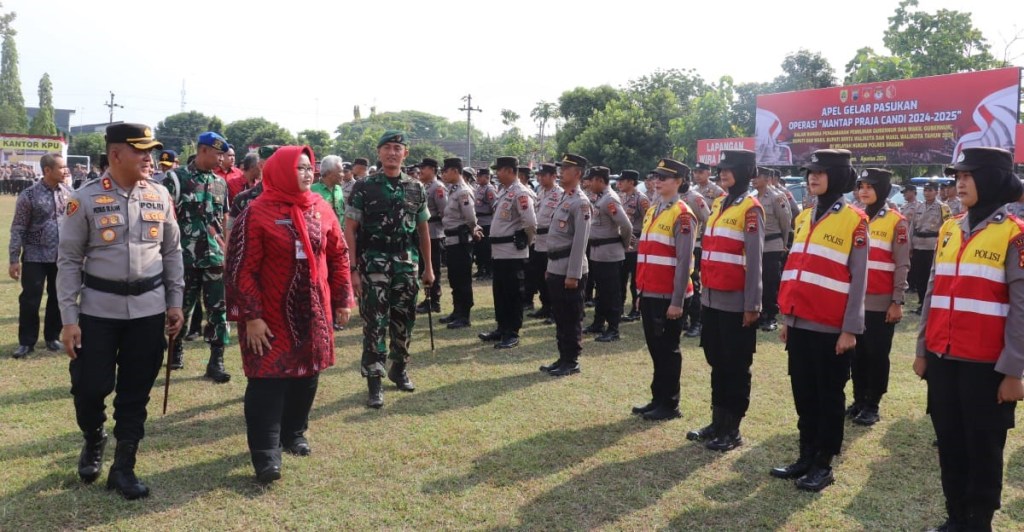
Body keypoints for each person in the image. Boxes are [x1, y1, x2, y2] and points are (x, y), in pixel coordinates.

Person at [57, 123, 184, 500]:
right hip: (98, 310)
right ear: (115, 155)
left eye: (151, 151)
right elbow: (68, 261)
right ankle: (94, 437)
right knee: (89, 386)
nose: (149, 158)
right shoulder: (85, 199)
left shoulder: (160, 195)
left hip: (148, 310)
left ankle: (124, 467)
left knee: (135, 392)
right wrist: (68, 319)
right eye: (141, 150)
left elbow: (172, 252)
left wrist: (175, 302)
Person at [225, 145, 353, 484]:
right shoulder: (257, 212)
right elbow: (241, 268)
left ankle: (294, 432)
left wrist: (343, 299)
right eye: (299, 168)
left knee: (307, 374)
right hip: (269, 315)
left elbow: (339, 255)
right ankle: (266, 455)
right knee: (268, 378)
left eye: (310, 167)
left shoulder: (321, 208)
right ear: (280, 171)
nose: (308, 173)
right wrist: (251, 316)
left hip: (313, 308)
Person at [915, 147, 1024, 531]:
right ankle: (955, 517)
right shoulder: (950, 228)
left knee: (983, 447)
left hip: (987, 367)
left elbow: (1021, 309)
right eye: (957, 176)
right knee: (950, 442)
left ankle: (978, 522)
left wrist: (1013, 370)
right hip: (943, 360)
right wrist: (922, 349)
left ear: (992, 179)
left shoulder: (1014, 235)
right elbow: (932, 293)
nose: (959, 182)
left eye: (968, 175)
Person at [771, 148, 868, 492]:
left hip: (831, 329)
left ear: (839, 177)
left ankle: (824, 464)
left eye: (821, 172)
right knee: (804, 393)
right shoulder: (804, 216)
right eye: (810, 172)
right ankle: (806, 455)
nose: (813, 177)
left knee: (829, 397)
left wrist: (850, 329)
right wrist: (787, 316)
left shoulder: (855, 219)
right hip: (799, 323)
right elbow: (796, 268)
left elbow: (859, 280)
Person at [344, 130, 433, 408]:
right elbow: (350, 229)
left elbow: (423, 230)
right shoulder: (364, 187)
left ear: (405, 153)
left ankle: (399, 368)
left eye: (398, 148)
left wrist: (428, 268)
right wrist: (353, 269)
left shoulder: (416, 188)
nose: (393, 152)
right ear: (379, 153)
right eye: (388, 148)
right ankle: (374, 380)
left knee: (404, 319)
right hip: (373, 263)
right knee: (374, 322)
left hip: (406, 263)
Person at [688, 150, 764, 449]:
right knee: (717, 361)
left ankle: (732, 429)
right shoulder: (720, 202)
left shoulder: (751, 208)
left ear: (745, 171)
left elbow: (756, 261)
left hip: (736, 301)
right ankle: (717, 421)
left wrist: (753, 305)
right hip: (713, 298)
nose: (723, 173)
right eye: (722, 169)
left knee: (735, 364)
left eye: (730, 169)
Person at [630, 158, 696, 420]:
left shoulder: (682, 214)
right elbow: (646, 254)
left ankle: (670, 404)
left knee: (668, 351)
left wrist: (677, 301)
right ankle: (658, 398)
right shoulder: (654, 210)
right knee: (656, 350)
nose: (657, 181)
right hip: (650, 292)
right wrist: (640, 292)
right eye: (656, 177)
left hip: (669, 296)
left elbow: (684, 261)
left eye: (664, 178)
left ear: (678, 182)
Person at [163, 132, 231, 382]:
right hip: (184, 259)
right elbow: (165, 219)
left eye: (223, 154)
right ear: (203, 151)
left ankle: (216, 360)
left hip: (214, 258)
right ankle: (175, 348)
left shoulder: (220, 183)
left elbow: (224, 218)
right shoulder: (175, 179)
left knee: (218, 310)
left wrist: (227, 250)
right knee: (181, 308)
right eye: (217, 153)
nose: (221, 159)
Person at [846, 168, 910, 427]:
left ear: (882, 189)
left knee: (876, 353)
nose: (864, 190)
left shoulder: (897, 221)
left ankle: (873, 404)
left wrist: (897, 301)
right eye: (861, 185)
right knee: (856, 353)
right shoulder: (853, 217)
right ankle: (859, 398)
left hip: (880, 301)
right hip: (855, 301)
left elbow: (902, 263)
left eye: (870, 186)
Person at [9, 153, 71, 358]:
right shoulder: (29, 195)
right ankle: (26, 342)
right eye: (61, 167)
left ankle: (52, 337)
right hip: (35, 256)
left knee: (58, 297)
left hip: (61, 257)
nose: (65, 171)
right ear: (47, 170)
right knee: (30, 300)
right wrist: (13, 258)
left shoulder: (70, 193)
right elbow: (18, 228)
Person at [539, 154, 592, 376]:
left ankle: (571, 361)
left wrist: (573, 274)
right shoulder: (564, 198)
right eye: (561, 168)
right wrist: (550, 267)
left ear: (578, 173)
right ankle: (562, 357)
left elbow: (580, 242)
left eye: (566, 169)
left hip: (570, 269)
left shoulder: (581, 202)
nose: (561, 172)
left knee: (570, 317)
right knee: (560, 316)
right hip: (556, 266)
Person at [477, 156, 536, 349]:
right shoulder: (505, 192)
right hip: (499, 252)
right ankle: (502, 327)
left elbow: (531, 223)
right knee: (500, 292)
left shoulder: (520, 192)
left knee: (513, 293)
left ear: (510, 171)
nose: (496, 173)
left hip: (512, 251)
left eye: (499, 170)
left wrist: (524, 243)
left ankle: (512, 332)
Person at [582, 166, 632, 342]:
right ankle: (598, 323)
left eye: (592, 180)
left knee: (611, 292)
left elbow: (626, 226)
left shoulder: (610, 199)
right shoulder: (601, 198)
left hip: (610, 253)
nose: (588, 184)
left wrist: (623, 245)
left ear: (600, 181)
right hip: (598, 252)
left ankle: (613, 328)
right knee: (601, 291)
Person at [438, 158, 480, 329]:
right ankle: (457, 311)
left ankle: (465, 315)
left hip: (461, 241)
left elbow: (470, 217)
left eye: (446, 171)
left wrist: (473, 230)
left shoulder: (463, 191)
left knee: (462, 278)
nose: (443, 175)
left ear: (455, 171)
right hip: (451, 240)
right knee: (454, 277)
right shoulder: (453, 190)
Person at [686, 161, 726, 338]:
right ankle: (686, 318)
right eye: (695, 172)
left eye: (701, 171)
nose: (697, 175)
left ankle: (697, 322)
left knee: (695, 282)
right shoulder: (690, 190)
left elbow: (711, 220)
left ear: (708, 172)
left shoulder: (716, 192)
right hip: (687, 242)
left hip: (700, 243)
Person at [753, 167, 792, 332]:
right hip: (757, 246)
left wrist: (783, 242)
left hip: (772, 244)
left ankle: (770, 316)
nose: (753, 180)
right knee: (757, 281)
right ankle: (759, 313)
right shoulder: (753, 198)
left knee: (770, 282)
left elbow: (786, 222)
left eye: (757, 177)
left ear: (767, 178)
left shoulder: (777, 197)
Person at [527, 163, 563, 321]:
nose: (540, 178)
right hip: (538, 240)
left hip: (551, 240)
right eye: (539, 175)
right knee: (540, 277)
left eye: (544, 175)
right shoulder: (540, 192)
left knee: (553, 278)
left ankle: (556, 310)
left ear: (554, 176)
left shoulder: (560, 194)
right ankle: (546, 306)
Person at [908, 182, 951, 314]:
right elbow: (912, 227)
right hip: (918, 244)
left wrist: (945, 247)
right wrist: (910, 245)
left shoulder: (943, 207)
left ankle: (930, 305)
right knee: (919, 276)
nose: (927, 193)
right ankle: (921, 302)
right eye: (925, 190)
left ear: (936, 192)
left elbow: (948, 227)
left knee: (929, 277)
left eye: (930, 190)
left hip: (932, 246)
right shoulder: (919, 206)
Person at [415, 158, 447, 315]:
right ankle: (428, 298)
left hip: (434, 233)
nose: (420, 170)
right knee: (423, 267)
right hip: (424, 233)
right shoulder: (424, 186)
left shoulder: (438, 187)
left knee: (433, 267)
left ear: (433, 169)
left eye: (424, 168)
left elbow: (444, 212)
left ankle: (434, 301)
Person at [618, 170, 649, 323]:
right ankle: (619, 307)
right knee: (621, 278)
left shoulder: (641, 199)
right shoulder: (622, 197)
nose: (619, 183)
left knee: (635, 280)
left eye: (623, 181)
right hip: (622, 243)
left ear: (631, 182)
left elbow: (648, 221)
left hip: (636, 244)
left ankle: (636, 310)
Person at [473, 168, 497, 279]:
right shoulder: (478, 188)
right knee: (479, 248)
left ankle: (489, 271)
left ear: (486, 177)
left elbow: (494, 207)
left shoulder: (490, 189)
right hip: (479, 222)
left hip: (487, 222)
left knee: (486, 248)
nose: (477, 178)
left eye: (479, 176)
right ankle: (481, 268)